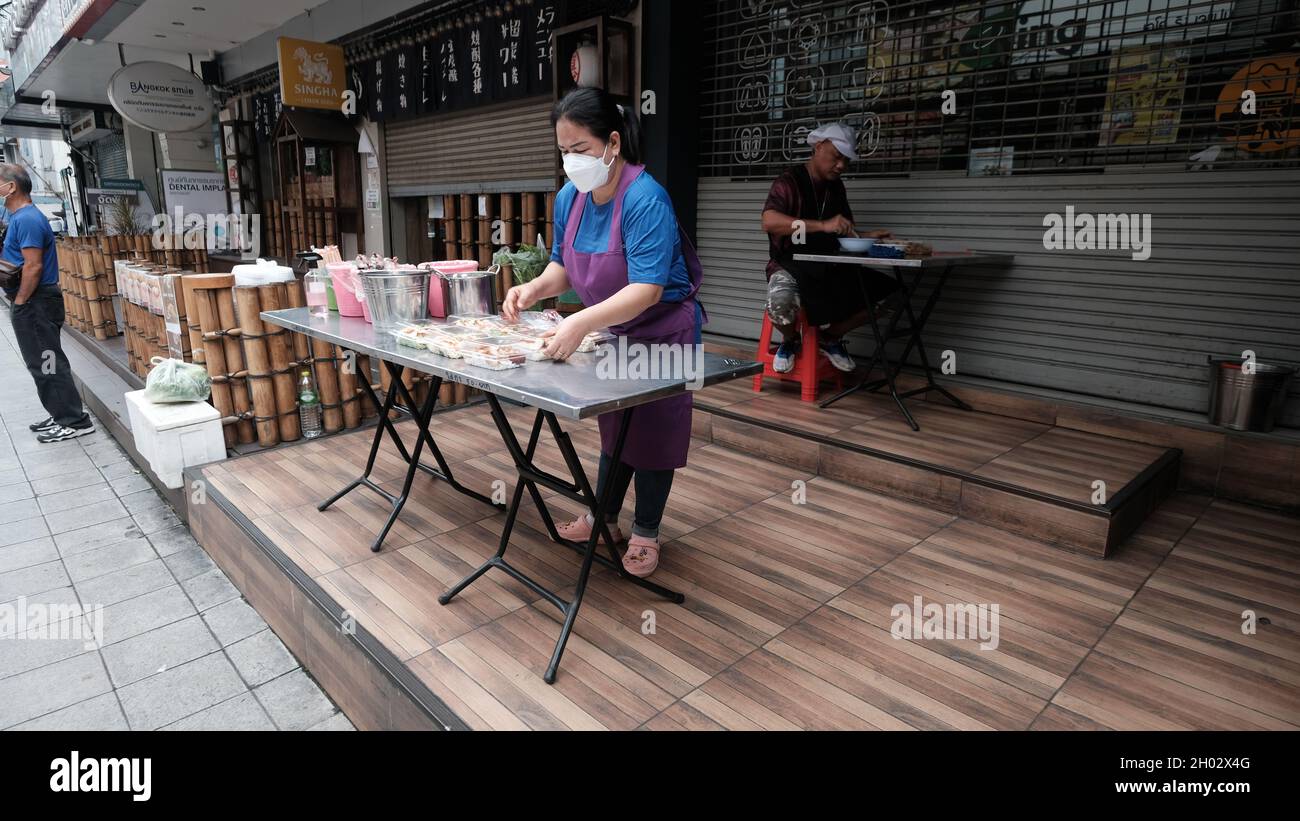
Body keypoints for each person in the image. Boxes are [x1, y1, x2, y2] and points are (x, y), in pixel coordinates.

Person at [502, 87, 703, 579]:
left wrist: (580, 321)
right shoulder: (570, 197)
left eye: (581, 150)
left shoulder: (645, 198)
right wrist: (531, 290)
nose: (571, 161)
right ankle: (604, 518)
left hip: (664, 333)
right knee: (616, 426)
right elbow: (562, 268)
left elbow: (648, 289)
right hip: (614, 331)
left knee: (655, 435)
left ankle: (646, 532)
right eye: (564, 151)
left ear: (612, 143)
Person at [760, 122, 898, 374]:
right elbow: (769, 221)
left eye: (846, 161)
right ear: (819, 147)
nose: (841, 166)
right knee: (779, 306)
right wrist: (822, 225)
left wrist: (868, 237)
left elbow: (841, 230)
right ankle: (791, 340)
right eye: (837, 157)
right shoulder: (789, 181)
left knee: (893, 296)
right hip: (789, 265)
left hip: (829, 265)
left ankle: (830, 337)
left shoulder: (836, 187)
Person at [1, 164, 93, 443]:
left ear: (12, 187)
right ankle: (60, 412)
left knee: (47, 361)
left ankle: (74, 421)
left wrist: (20, 301)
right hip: (34, 301)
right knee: (41, 361)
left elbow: (33, 266)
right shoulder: (18, 217)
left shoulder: (27, 219)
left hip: (36, 301)